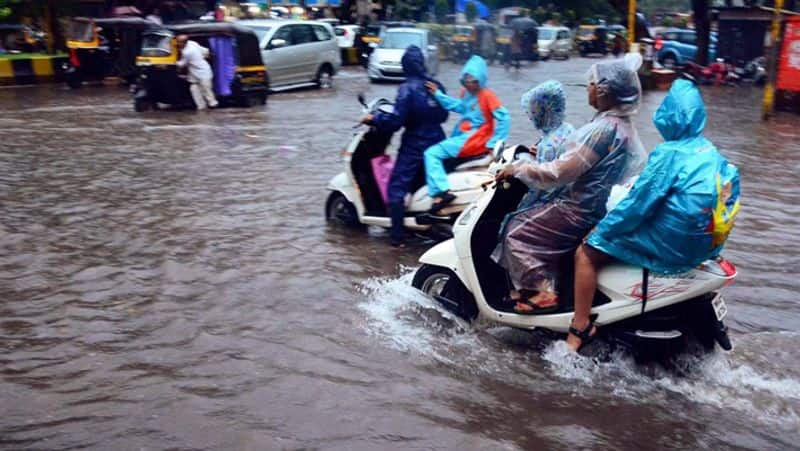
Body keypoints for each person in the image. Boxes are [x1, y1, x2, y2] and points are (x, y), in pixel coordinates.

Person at [566, 78, 741, 352]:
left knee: (586, 253)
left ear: (669, 115)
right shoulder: (710, 151)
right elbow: (729, 196)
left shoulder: (669, 153)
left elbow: (637, 205)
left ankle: (580, 326)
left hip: (672, 246)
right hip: (703, 247)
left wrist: (601, 231)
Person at [493, 54, 647, 314]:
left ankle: (544, 291)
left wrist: (519, 168)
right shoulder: (620, 126)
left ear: (603, 91)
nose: (588, 89)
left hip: (575, 206)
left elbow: (560, 172)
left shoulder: (602, 129)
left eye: (590, 84)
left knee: (515, 230)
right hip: (594, 204)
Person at [361, 45, 449, 247]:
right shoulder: (435, 85)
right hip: (437, 141)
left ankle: (397, 239)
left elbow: (396, 121)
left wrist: (374, 118)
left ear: (405, 65)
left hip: (414, 146)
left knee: (396, 189)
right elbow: (444, 115)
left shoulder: (406, 89)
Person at [491, 80, 575, 286]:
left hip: (553, 201)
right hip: (568, 198)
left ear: (546, 110)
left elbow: (541, 182)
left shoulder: (549, 143)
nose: (533, 115)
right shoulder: (566, 130)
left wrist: (517, 171)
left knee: (511, 228)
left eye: (536, 110)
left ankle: (536, 288)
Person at [424, 55, 510, 213]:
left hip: (475, 139)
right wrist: (438, 95)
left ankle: (441, 192)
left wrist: (494, 143)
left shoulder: (487, 95)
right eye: (467, 80)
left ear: (481, 79)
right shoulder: (466, 93)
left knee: (431, 153)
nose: (470, 83)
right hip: (464, 136)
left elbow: (504, 117)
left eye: (474, 80)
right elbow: (459, 106)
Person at [176, 35, 218, 110]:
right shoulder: (192, 43)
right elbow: (205, 51)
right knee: (194, 89)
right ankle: (201, 107)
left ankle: (213, 106)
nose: (177, 44)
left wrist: (172, 64)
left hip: (203, 72)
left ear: (183, 42)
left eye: (179, 42)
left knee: (207, 91)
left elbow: (182, 64)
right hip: (194, 73)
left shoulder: (187, 52)